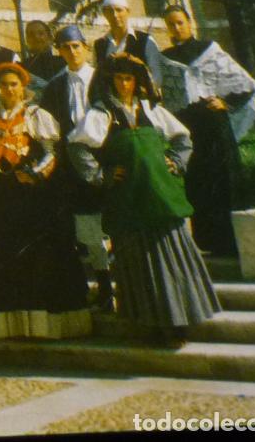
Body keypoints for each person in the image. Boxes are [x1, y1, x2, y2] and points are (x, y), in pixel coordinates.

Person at [69, 54, 220, 343]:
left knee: (174, 258)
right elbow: (76, 147)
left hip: (162, 197)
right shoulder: (102, 114)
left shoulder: (152, 110)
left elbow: (183, 137)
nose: (124, 84)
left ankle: (182, 321)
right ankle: (150, 326)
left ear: (137, 81)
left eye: (129, 78)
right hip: (129, 203)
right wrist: (102, 175)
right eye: (118, 78)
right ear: (109, 82)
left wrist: (176, 161)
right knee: (139, 263)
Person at [0, 63, 91, 340]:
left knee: (41, 256)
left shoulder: (36, 115)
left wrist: (36, 175)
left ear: (23, 87)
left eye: (13, 84)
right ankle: (16, 326)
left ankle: (46, 327)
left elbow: (52, 152)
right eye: (4, 84)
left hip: (35, 198)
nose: (9, 89)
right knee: (8, 257)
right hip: (3, 199)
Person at [159, 5, 255, 256]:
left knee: (224, 180)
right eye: (171, 24)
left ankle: (236, 243)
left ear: (189, 22)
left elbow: (245, 84)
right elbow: (168, 96)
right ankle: (211, 243)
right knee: (199, 182)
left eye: (180, 22)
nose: (176, 28)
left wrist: (226, 103)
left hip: (215, 127)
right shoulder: (166, 57)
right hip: (190, 128)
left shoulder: (209, 50)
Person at [39, 25, 113, 312]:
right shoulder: (55, 87)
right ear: (59, 51)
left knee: (111, 226)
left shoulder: (102, 79)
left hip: (104, 161)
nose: (71, 52)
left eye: (76, 46)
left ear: (85, 47)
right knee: (89, 229)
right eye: (65, 47)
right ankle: (104, 285)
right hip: (72, 170)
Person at [94, 0, 164, 84]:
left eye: (119, 10)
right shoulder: (100, 45)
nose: (115, 15)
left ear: (128, 12)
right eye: (110, 11)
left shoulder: (145, 41)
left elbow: (157, 77)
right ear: (105, 14)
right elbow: (98, 79)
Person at [22, 20, 65, 86]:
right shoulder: (24, 67)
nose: (36, 37)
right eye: (31, 34)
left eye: (41, 33)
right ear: (27, 40)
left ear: (49, 37)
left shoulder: (63, 64)